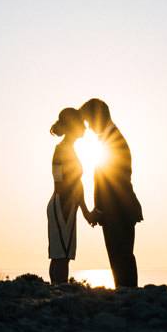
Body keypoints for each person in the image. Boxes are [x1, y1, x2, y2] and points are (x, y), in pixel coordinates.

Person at [79, 98, 142, 288]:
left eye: (89, 122)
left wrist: (98, 210)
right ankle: (126, 292)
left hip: (118, 210)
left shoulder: (113, 142)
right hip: (118, 209)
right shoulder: (110, 139)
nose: (89, 128)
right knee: (120, 257)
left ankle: (127, 293)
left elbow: (111, 182)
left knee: (120, 256)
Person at [47, 107, 100, 285]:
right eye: (81, 124)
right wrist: (84, 211)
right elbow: (63, 184)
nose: (85, 127)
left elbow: (74, 185)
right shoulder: (62, 149)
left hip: (64, 205)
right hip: (62, 206)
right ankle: (58, 291)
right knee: (61, 256)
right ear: (72, 125)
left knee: (60, 255)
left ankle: (57, 290)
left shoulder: (67, 149)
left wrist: (84, 211)